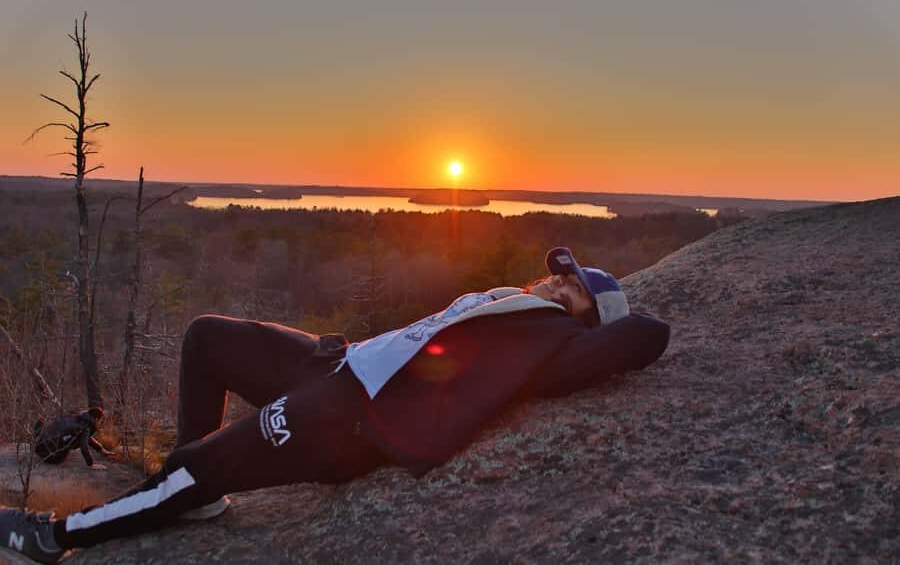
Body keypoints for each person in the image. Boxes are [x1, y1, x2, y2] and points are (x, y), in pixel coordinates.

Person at [0, 247, 669, 563]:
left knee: (190, 467)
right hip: (334, 360)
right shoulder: (512, 300)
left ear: (589, 319)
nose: (558, 280)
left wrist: (602, 321)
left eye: (573, 287)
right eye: (562, 273)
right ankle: (197, 490)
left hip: (343, 417)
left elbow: (645, 338)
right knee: (206, 337)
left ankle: (53, 537)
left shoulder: (552, 343)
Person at [33, 407, 113, 470]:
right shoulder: (85, 427)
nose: (100, 423)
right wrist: (91, 464)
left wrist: (101, 449)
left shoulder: (76, 417)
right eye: (101, 420)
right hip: (51, 457)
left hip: (40, 448)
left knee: (76, 436)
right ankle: (55, 454)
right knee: (74, 441)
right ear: (96, 419)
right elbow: (84, 446)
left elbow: (86, 438)